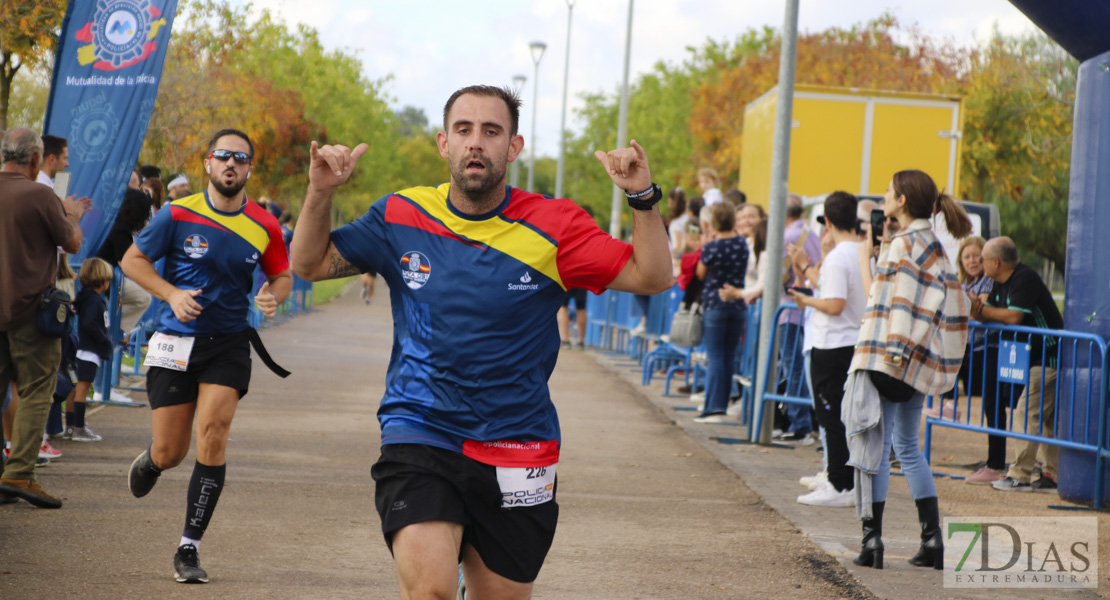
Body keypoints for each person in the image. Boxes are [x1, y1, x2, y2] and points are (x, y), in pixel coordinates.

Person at [290, 84, 673, 599]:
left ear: (513, 147)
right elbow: (309, 264)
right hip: (421, 428)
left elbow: (651, 276)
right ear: (443, 143)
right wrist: (320, 193)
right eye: (463, 130)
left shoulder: (556, 225)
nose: (476, 142)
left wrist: (641, 199)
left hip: (518, 440)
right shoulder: (401, 215)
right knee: (431, 590)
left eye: (491, 132)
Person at [121, 128, 292, 584]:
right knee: (171, 450)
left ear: (249, 168)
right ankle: (153, 460)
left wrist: (272, 296)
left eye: (240, 157)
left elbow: (282, 276)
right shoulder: (178, 213)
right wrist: (171, 293)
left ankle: (188, 547)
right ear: (208, 164)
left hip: (228, 342)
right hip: (175, 341)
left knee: (213, 434)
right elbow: (132, 261)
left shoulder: (265, 224)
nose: (231, 163)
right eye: (223, 156)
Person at [846, 169, 971, 571]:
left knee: (878, 449)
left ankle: (872, 541)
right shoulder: (936, 246)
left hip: (889, 356)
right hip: (919, 360)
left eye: (888, 191)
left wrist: (897, 352)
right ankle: (932, 540)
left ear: (901, 200)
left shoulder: (903, 244)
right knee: (909, 448)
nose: (884, 197)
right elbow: (952, 306)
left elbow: (894, 302)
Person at [0, 128, 91, 508]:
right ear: (36, 160)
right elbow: (72, 242)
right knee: (38, 389)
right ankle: (19, 473)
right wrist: (71, 214)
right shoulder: (40, 194)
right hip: (29, 310)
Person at [788, 192, 865, 507]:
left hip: (833, 343)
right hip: (848, 342)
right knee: (839, 416)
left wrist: (806, 300)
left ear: (829, 222)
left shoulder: (837, 257)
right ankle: (842, 481)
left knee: (830, 416)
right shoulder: (861, 253)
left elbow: (834, 304)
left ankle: (838, 483)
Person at [971, 237, 1063, 494]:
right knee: (1046, 419)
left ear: (996, 262)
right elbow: (983, 313)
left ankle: (1020, 475)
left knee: (1026, 413)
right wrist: (972, 305)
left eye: (983, 259)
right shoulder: (999, 282)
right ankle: (1052, 475)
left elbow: (1012, 317)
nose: (979, 263)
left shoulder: (1025, 278)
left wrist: (979, 307)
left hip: (1049, 357)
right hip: (1035, 358)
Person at [692, 202, 748, 423]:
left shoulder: (712, 247)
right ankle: (723, 403)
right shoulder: (742, 244)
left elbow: (700, 274)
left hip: (715, 304)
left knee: (715, 355)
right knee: (728, 356)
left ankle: (713, 407)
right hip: (737, 305)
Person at [776, 193, 820, 444]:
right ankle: (804, 421)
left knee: (792, 368)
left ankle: (799, 423)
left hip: (790, 307)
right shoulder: (810, 232)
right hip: (806, 306)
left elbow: (778, 276)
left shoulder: (787, 237)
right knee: (801, 368)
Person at [65, 258, 115, 442]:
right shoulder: (94, 301)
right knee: (82, 389)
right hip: (89, 350)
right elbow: (91, 324)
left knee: (75, 388)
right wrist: (105, 341)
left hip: (84, 348)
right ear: (102, 281)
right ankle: (78, 427)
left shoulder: (85, 298)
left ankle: (70, 427)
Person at [97, 188, 154, 340]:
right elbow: (128, 264)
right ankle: (113, 330)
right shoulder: (121, 230)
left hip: (102, 275)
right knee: (143, 298)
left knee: (139, 298)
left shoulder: (113, 221)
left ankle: (114, 329)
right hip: (103, 278)